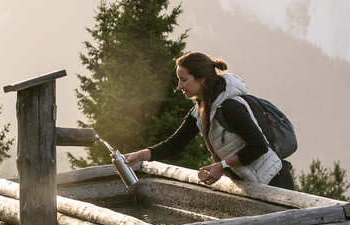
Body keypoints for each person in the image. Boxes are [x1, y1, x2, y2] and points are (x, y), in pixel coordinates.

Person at [121, 51, 295, 190]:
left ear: (201, 79)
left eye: (184, 80)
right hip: (252, 184)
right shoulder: (200, 110)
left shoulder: (230, 106)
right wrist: (141, 155)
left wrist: (223, 165)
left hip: (275, 183)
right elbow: (175, 144)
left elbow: (259, 146)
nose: (179, 86)